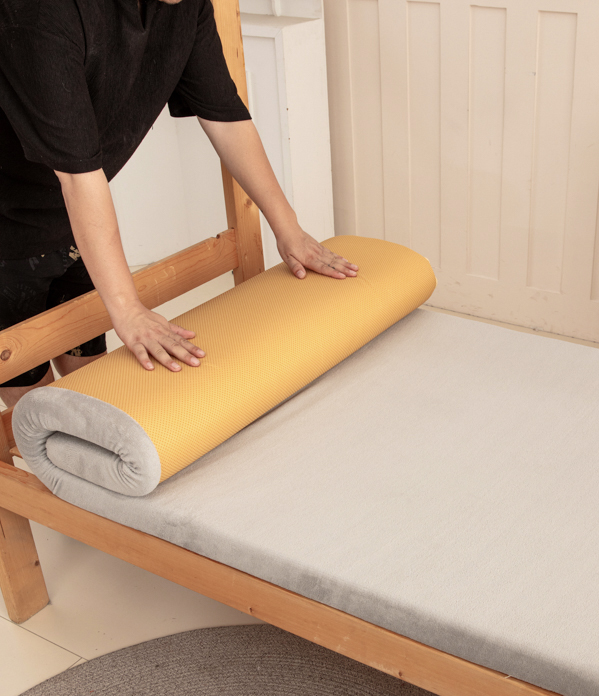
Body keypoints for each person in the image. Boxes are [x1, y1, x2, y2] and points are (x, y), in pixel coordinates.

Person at [0, 0, 356, 407]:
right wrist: (128, 308)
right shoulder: (42, 13)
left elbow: (225, 117)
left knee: (90, 367)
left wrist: (289, 229)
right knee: (31, 391)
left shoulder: (185, 6)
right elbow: (77, 178)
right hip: (10, 225)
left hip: (73, 219)